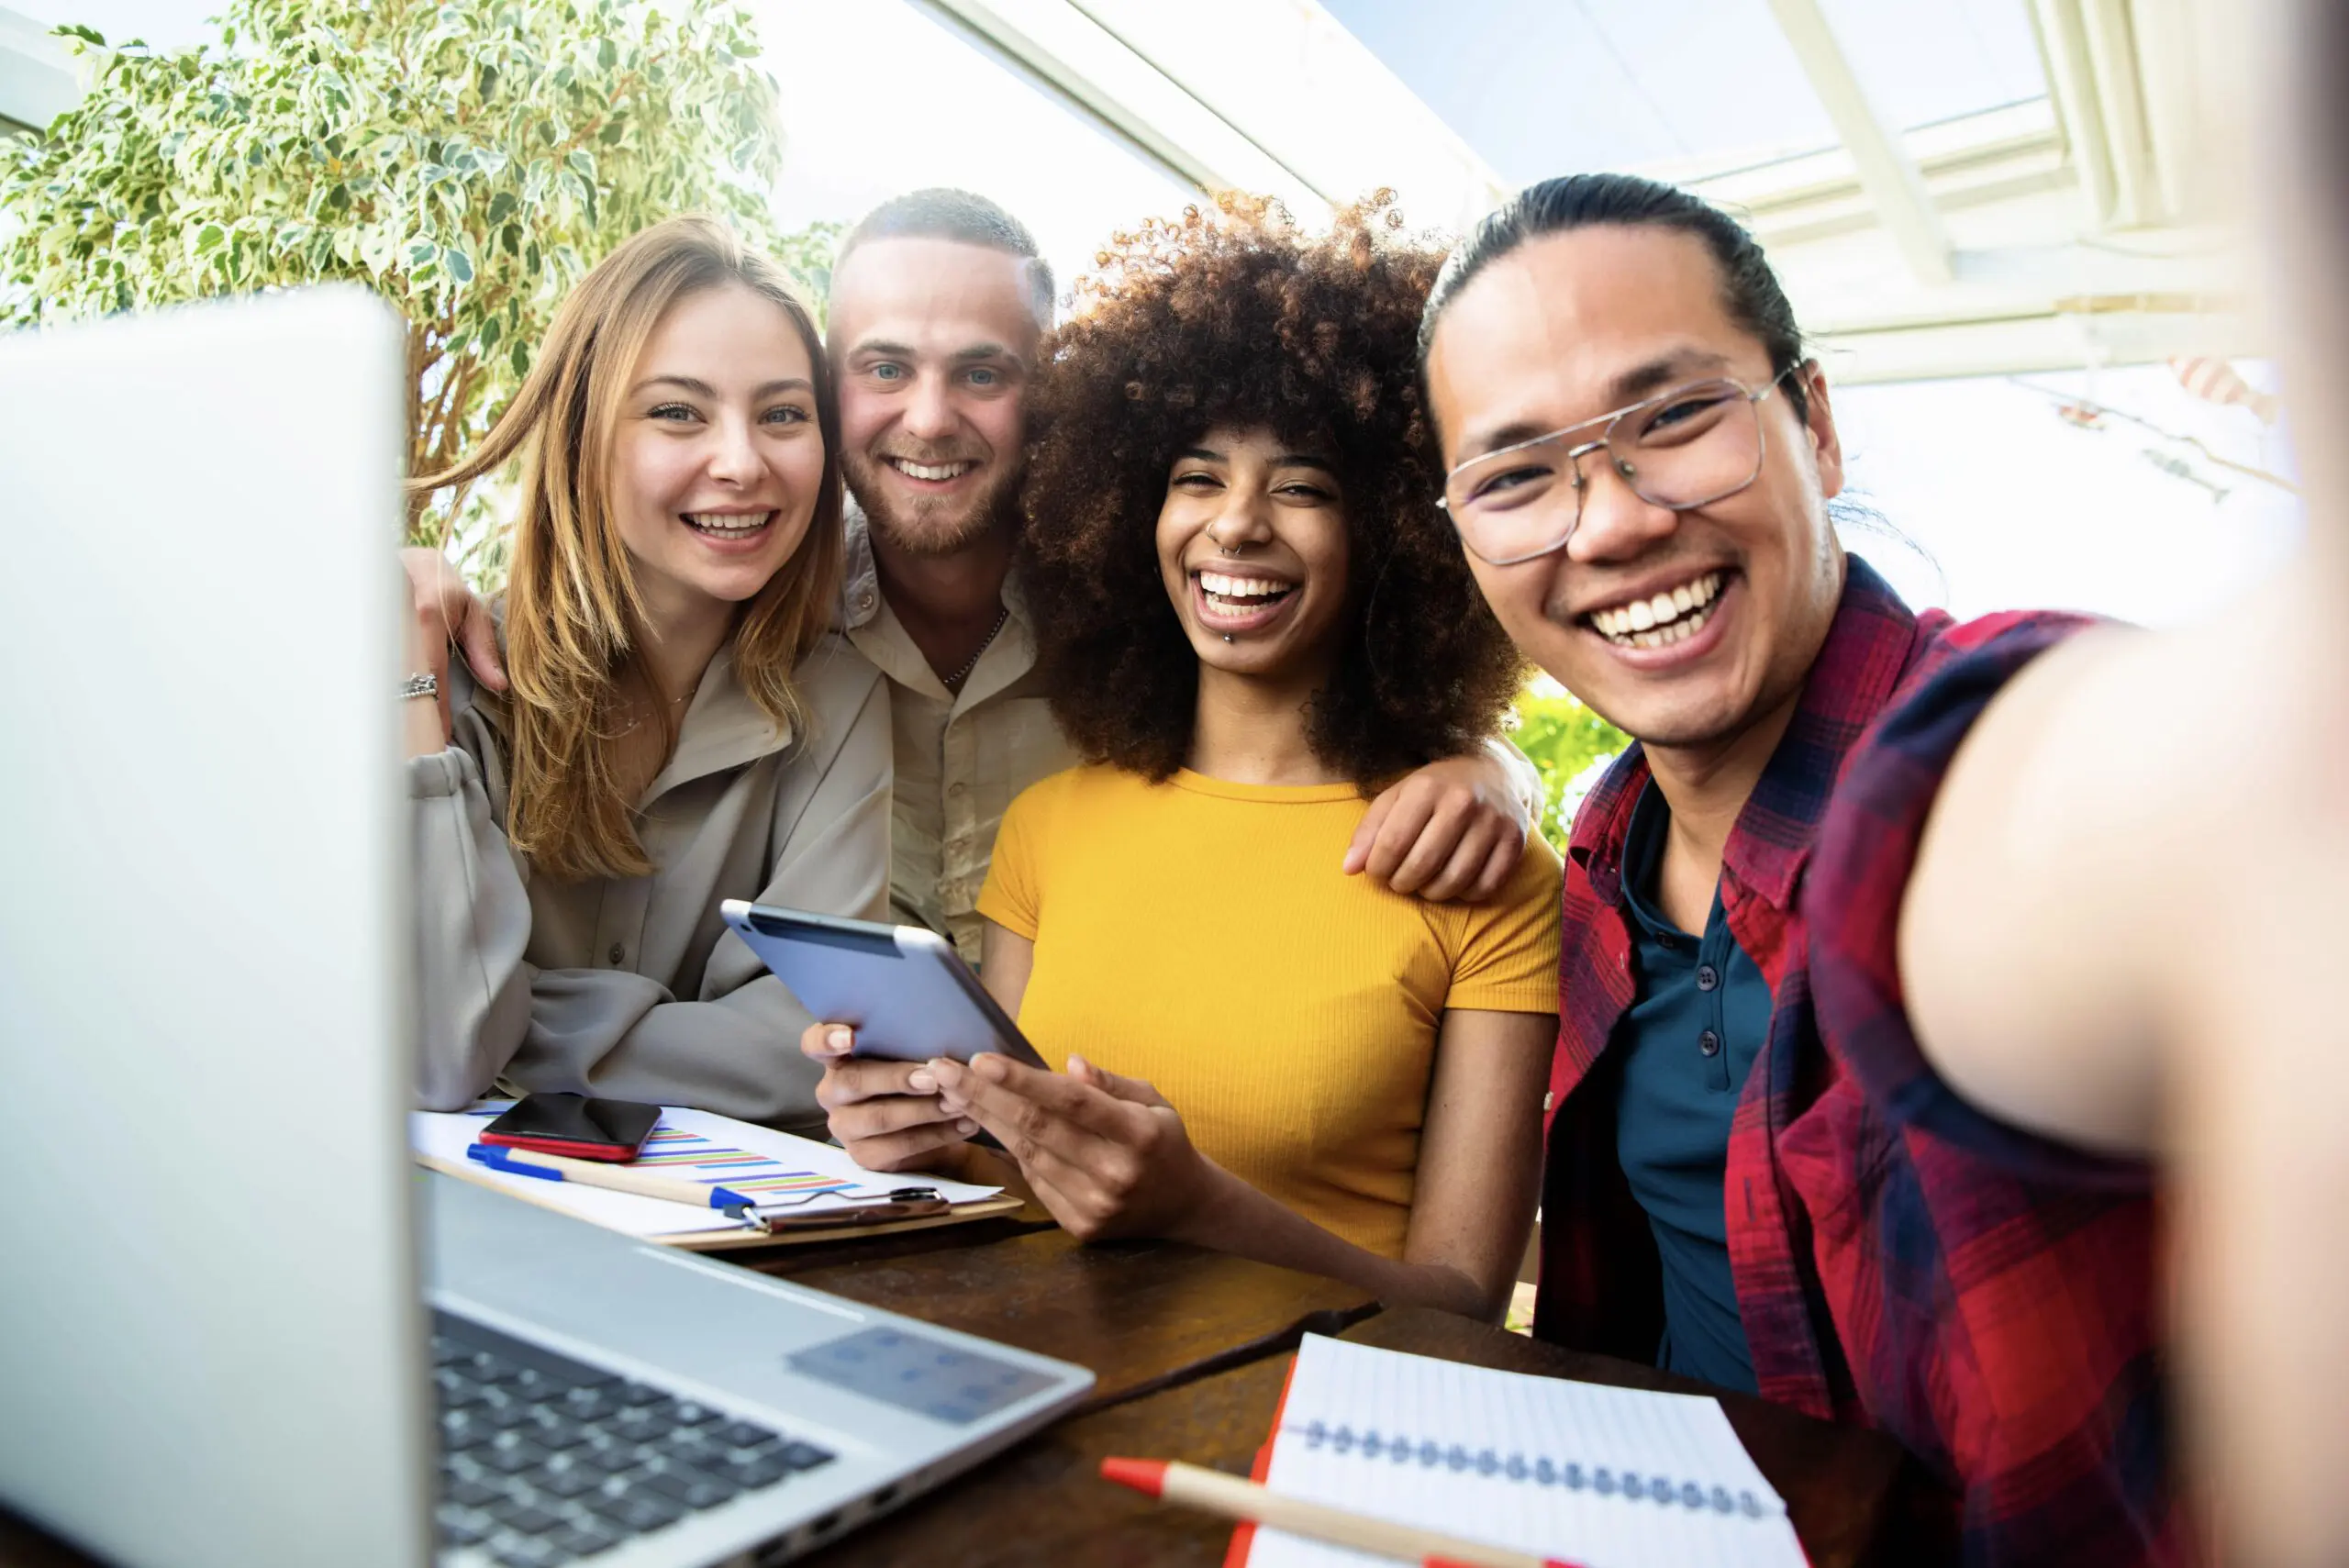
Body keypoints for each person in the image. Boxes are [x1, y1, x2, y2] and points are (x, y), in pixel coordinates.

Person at [1418, 173, 2191, 1560]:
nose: (1606, 525)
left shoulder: (1989, 756)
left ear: (1816, 425)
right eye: (1517, 474)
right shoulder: (1598, 860)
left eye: (1673, 418)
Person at [408, 188, 1545, 977]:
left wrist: (1488, 774)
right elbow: (588, 578)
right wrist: (404, 584)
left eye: (985, 373)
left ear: (1058, 389)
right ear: (827, 388)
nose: (930, 417)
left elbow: (1374, 696)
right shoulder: (754, 602)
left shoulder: (1170, 600)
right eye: (883, 368)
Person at [804, 198, 1563, 1322]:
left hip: (1311, 1435)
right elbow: (1014, 1184)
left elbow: (1456, 1304)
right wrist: (912, 1136)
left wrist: (1197, 1203)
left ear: (1397, 533)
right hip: (1043, 1392)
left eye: (1302, 485)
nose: (1237, 525)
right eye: (1197, 477)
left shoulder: (1483, 874)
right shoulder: (1049, 823)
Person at [402, 216, 888, 1126]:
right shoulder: (445, 681)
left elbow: (811, 1053)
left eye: (784, 414)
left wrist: (516, 1021)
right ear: (586, 433)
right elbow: (442, 1052)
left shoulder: (840, 699)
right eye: (677, 412)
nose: (742, 462)